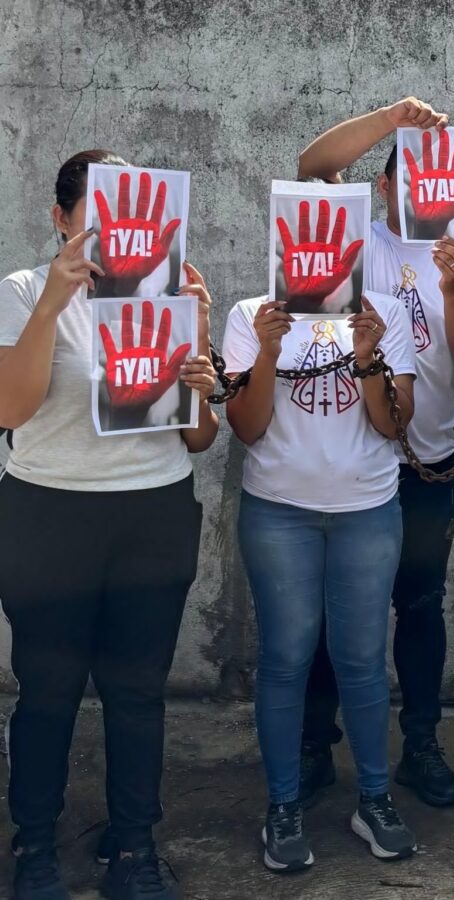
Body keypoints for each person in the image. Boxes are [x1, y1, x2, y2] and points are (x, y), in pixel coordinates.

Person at [0, 150, 219, 900]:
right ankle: (33, 845)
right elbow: (9, 411)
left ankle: (134, 846)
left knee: (136, 691)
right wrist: (52, 304)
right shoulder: (23, 290)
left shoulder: (170, 296)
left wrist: (201, 378)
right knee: (48, 689)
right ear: (62, 219)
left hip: (153, 512)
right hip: (49, 513)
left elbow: (198, 439)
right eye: (97, 215)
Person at [295, 99, 454, 809]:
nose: (426, 191)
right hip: (347, 460)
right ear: (386, 188)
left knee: (419, 607)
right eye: (409, 178)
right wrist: (392, 123)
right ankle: (314, 744)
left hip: (426, 462)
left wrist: (453, 290)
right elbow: (311, 167)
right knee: (329, 611)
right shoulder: (355, 238)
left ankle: (421, 745)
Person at [222, 251, 418, 869]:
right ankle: (282, 808)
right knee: (285, 658)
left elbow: (393, 425)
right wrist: (265, 353)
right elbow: (246, 428)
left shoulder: (382, 310)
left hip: (367, 508)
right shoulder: (252, 314)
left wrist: (367, 358)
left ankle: (374, 798)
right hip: (279, 510)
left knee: (361, 659)